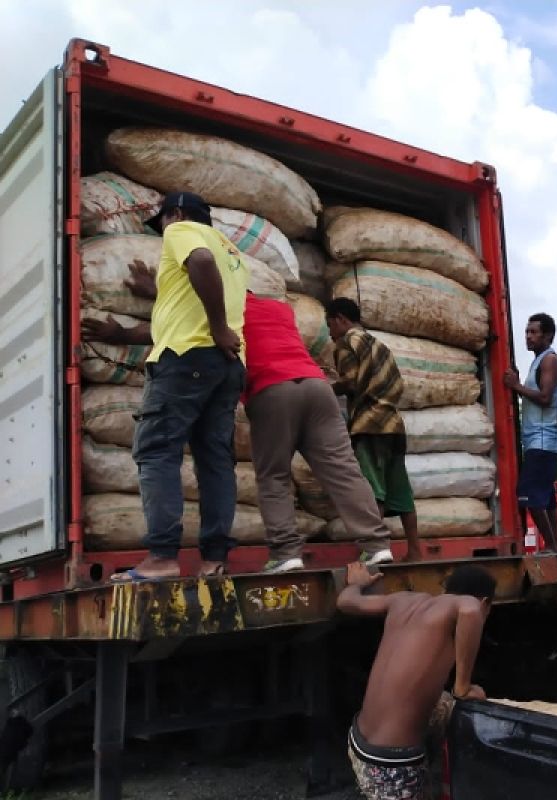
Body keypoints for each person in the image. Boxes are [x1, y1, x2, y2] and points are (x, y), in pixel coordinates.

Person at [85, 265, 402, 573]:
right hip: (317, 388)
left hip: (272, 391)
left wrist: (123, 330)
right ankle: (377, 546)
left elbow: (180, 323)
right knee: (344, 471)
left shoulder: (225, 312)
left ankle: (286, 554)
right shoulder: (279, 309)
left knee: (274, 476)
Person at [105, 192, 247, 581]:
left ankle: (163, 557)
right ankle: (215, 559)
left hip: (186, 358)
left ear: (177, 214)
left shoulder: (183, 230)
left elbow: (198, 263)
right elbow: (185, 302)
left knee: (156, 450)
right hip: (228, 366)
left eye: (163, 222)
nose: (163, 232)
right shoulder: (231, 252)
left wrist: (218, 329)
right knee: (214, 460)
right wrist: (153, 293)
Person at [337, 561, 494, 800]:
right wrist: (463, 686)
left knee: (445, 704)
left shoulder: (403, 600)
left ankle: (432, 770)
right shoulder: (470, 606)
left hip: (358, 743)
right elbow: (471, 610)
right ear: (485, 602)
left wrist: (356, 585)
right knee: (463, 700)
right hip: (390, 764)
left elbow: (346, 602)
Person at [325, 299, 422, 559]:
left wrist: (326, 386)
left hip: (369, 425)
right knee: (400, 490)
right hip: (393, 426)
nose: (330, 333)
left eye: (330, 325)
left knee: (372, 490)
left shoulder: (347, 343)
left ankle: (374, 550)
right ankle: (414, 550)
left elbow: (351, 382)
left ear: (340, 319)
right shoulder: (380, 345)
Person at [504, 313, 557, 553]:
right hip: (539, 441)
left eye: (533, 332)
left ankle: (550, 545)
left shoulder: (549, 360)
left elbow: (545, 397)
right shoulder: (539, 360)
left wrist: (516, 386)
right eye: (527, 332)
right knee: (547, 497)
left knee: (527, 494)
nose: (528, 336)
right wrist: (520, 384)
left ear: (547, 335)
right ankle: (556, 547)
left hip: (543, 440)